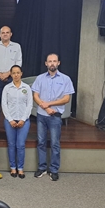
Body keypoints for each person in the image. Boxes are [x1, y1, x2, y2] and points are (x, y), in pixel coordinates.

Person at [32, 53, 75, 181]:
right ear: (46, 63)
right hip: (41, 115)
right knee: (41, 142)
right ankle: (42, 168)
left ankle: (54, 170)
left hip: (55, 116)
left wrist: (50, 104)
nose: (52, 63)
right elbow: (35, 96)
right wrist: (45, 107)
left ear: (58, 63)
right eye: (49, 61)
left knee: (55, 144)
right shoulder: (40, 78)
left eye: (54, 61)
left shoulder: (65, 79)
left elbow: (66, 98)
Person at [2, 65, 32, 179]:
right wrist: (10, 119)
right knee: (11, 144)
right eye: (13, 73)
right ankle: (13, 167)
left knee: (20, 145)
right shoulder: (7, 88)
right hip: (10, 121)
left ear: (21, 74)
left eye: (18, 72)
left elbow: (29, 104)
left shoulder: (27, 88)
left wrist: (23, 119)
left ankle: (20, 168)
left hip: (24, 121)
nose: (16, 75)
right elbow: (4, 104)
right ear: (10, 74)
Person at [0, 26, 22, 127]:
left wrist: (9, 73)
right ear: (0, 35)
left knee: (12, 103)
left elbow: (19, 62)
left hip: (12, 78)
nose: (5, 34)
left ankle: (12, 127)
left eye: (7, 32)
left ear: (11, 34)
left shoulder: (17, 46)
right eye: (3, 33)